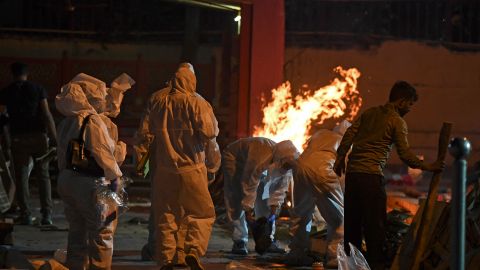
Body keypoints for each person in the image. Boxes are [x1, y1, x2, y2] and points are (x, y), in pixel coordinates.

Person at [333, 81, 444, 270]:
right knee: (375, 226)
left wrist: (340, 157)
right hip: (371, 177)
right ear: (401, 102)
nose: (409, 109)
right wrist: (429, 166)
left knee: (352, 225)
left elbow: (350, 133)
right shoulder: (397, 122)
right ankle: (376, 265)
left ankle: (351, 265)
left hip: (353, 175)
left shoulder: (369, 113)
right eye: (409, 104)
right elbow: (405, 155)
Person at [136, 64, 221, 265]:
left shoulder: (157, 101)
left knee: (166, 216)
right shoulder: (199, 103)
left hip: (164, 170)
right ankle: (192, 250)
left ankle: (166, 258)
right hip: (193, 169)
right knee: (201, 214)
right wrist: (213, 166)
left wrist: (142, 164)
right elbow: (210, 139)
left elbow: (143, 136)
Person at [55, 72, 134, 269]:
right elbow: (105, 155)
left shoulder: (68, 121)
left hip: (67, 180)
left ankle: (75, 266)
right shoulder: (93, 121)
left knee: (77, 231)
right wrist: (116, 175)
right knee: (102, 232)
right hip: (90, 183)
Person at [286, 120, 351, 268]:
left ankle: (296, 254)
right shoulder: (346, 143)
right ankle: (335, 258)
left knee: (301, 213)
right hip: (324, 170)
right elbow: (343, 173)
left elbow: (307, 149)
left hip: (300, 168)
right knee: (338, 218)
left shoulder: (321, 134)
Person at [0, 62, 57, 225]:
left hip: (18, 138)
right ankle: (47, 215)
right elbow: (46, 114)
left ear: (12, 74)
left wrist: (6, 140)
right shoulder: (38, 89)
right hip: (38, 137)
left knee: (21, 177)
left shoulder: (6, 92)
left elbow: (2, 119)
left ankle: (25, 214)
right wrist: (54, 137)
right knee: (43, 175)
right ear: (27, 73)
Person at [222, 137, 299, 255]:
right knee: (236, 197)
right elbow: (249, 183)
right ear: (279, 160)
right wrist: (248, 212)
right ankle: (239, 240)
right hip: (235, 159)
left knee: (264, 196)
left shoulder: (288, 164)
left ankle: (268, 239)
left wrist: (273, 213)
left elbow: (279, 190)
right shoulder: (260, 157)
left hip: (257, 167)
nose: (287, 168)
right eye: (286, 165)